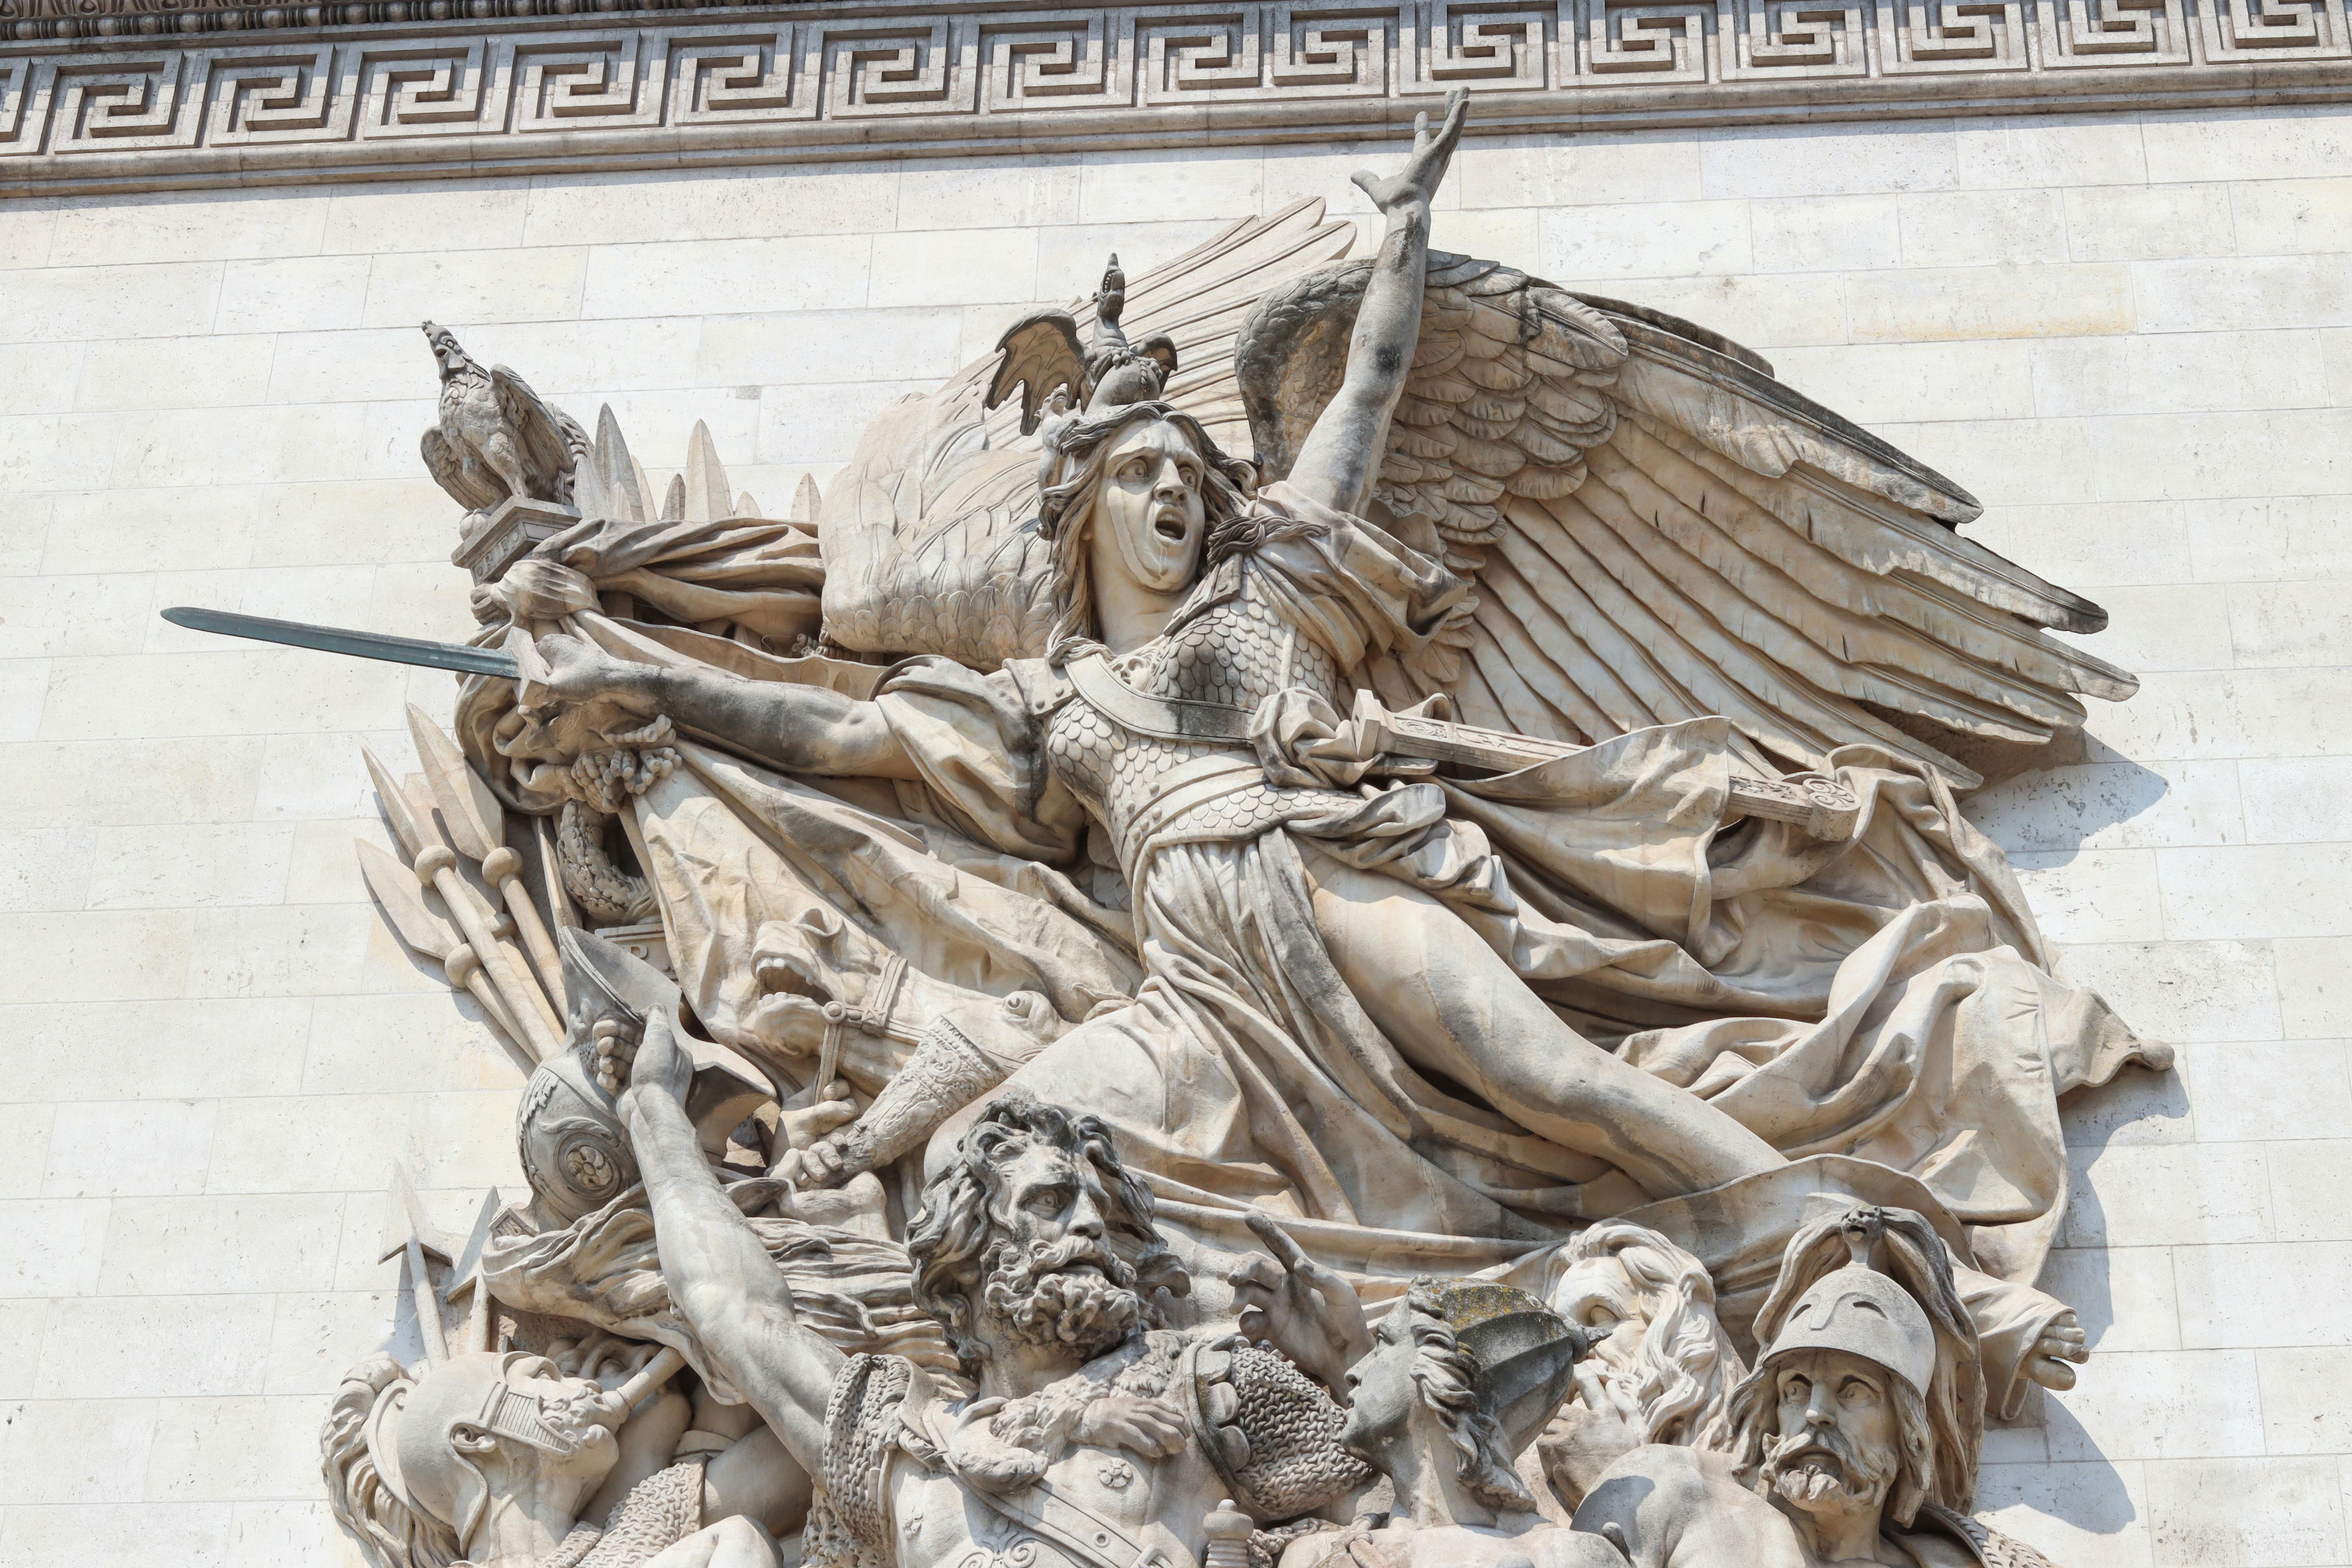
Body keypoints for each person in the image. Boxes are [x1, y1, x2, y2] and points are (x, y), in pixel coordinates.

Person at [1569, 1209, 2057, 1568]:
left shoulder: (1968, 1560)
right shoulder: (1673, 1490)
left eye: (1854, 1391)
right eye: (1796, 1389)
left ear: (1909, 1429)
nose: (1816, 1412)